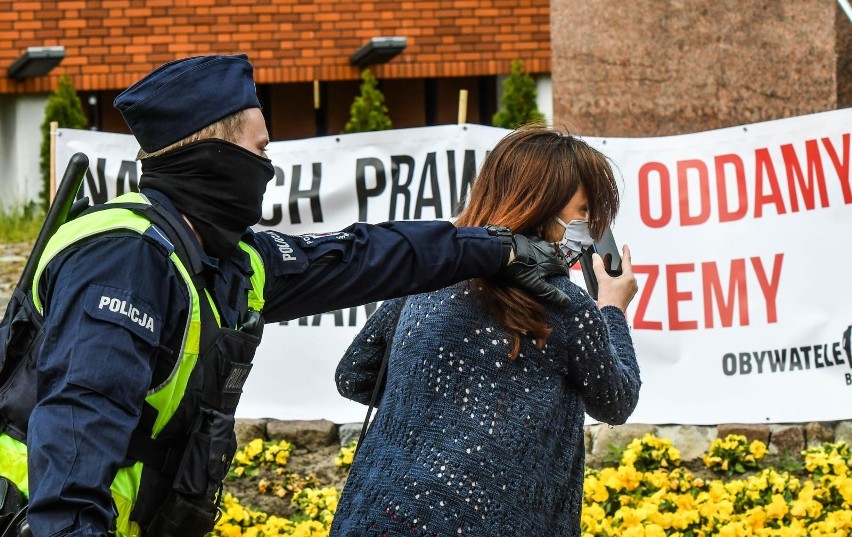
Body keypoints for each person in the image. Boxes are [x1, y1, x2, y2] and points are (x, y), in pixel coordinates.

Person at [0, 55, 571, 537]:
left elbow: (366, 255)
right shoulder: (125, 259)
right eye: (260, 149)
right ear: (215, 156)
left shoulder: (230, 259)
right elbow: (79, 429)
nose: (269, 167)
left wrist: (498, 249)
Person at [331, 125, 641, 537]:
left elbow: (355, 375)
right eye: (582, 212)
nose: (588, 227)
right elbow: (616, 400)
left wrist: (438, 401)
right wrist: (613, 308)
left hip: (375, 516)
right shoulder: (568, 307)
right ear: (539, 204)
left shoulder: (430, 271)